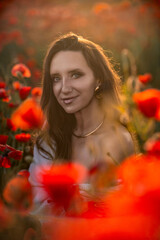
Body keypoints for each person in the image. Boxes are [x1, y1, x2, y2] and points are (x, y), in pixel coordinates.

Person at [29, 32, 135, 218]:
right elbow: (35, 214)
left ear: (99, 79)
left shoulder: (122, 140)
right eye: (56, 78)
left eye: (75, 75)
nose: (64, 88)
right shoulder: (48, 144)